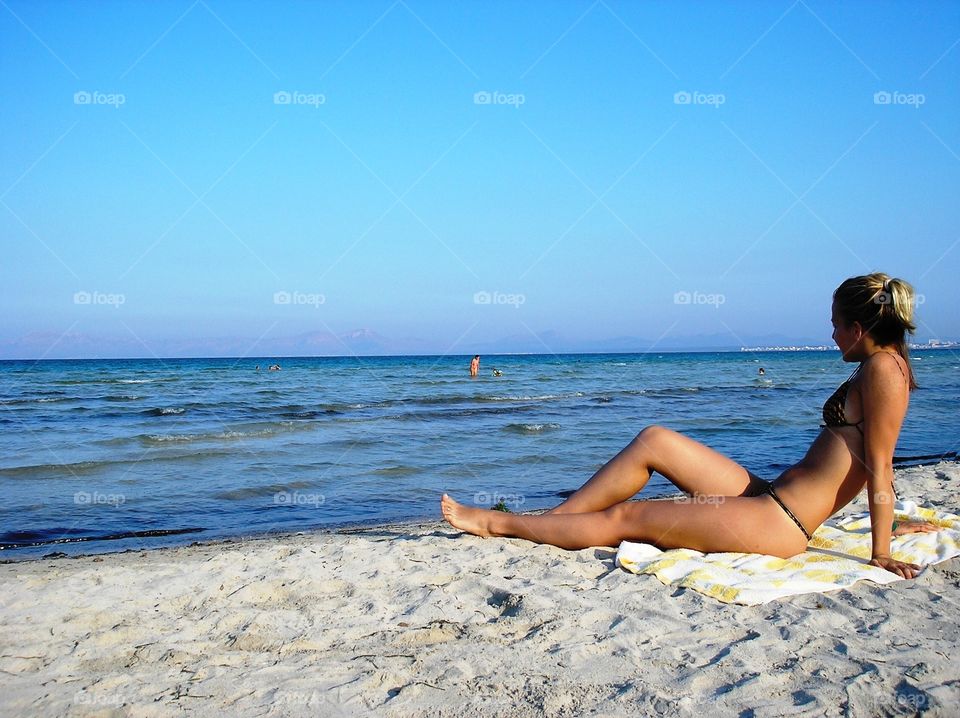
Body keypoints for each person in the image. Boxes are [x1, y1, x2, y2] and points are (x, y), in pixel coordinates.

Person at [442, 273, 939, 578]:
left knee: (630, 520)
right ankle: (555, 522)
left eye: (834, 323)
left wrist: (881, 551)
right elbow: (865, 463)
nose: (830, 333)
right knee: (655, 440)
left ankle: (494, 522)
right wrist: (894, 521)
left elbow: (878, 465)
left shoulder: (882, 372)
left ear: (857, 327)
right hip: (766, 496)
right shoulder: (881, 366)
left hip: (778, 522)